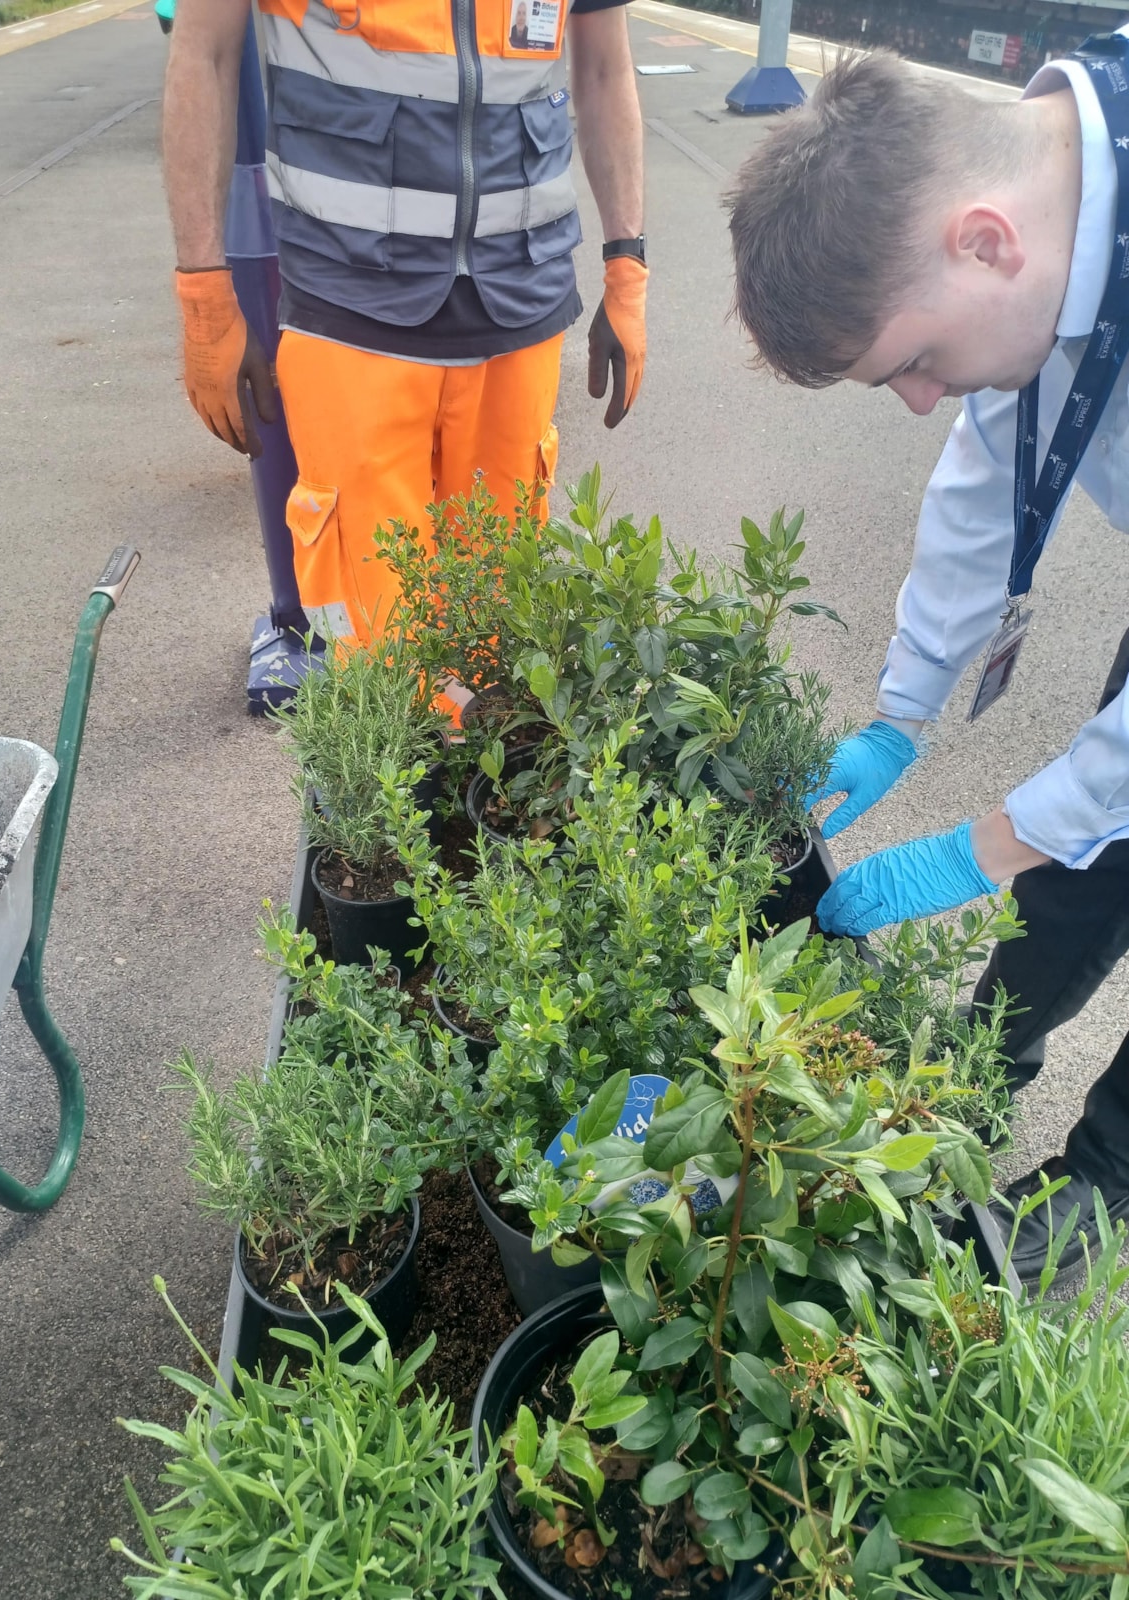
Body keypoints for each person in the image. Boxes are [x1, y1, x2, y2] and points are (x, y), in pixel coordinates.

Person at [728, 39, 1129, 1289]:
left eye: (908, 360)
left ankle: (1106, 1180)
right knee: (1091, 854)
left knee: (1077, 820)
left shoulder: (1033, 233)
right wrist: (901, 715)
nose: (914, 399)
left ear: (984, 243)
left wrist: (989, 843)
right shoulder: (1053, 185)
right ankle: (988, 1059)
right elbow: (985, 457)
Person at [163, 0, 646, 649]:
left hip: (519, 310)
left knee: (495, 644)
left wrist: (627, 273)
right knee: (375, 652)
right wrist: (205, 299)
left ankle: (467, 741)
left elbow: (606, 68)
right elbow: (204, 52)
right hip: (351, 313)